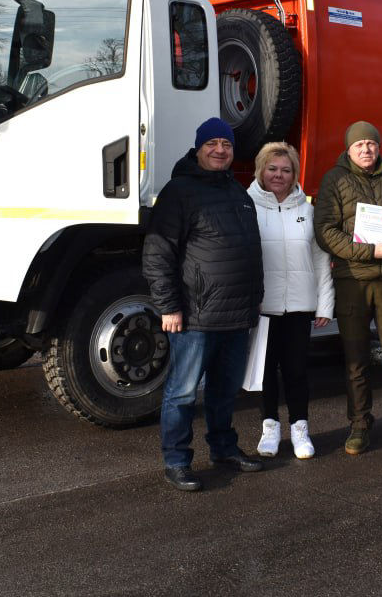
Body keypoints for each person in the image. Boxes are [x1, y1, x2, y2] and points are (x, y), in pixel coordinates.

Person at [142, 117, 266, 491]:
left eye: (226, 144)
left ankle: (224, 448)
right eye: (211, 143)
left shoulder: (237, 191)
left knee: (224, 391)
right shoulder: (179, 191)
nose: (219, 150)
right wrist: (169, 307)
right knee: (181, 393)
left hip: (235, 315)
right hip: (194, 316)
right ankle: (177, 460)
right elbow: (157, 253)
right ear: (197, 149)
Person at [314, 120, 382, 459]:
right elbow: (326, 232)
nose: (366, 149)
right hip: (353, 283)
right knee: (355, 361)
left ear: (379, 147)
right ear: (348, 149)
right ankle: (359, 424)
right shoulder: (335, 180)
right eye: (359, 145)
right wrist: (368, 251)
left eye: (371, 144)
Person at [247, 142, 335, 460]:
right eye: (272, 169)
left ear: (294, 174)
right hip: (263, 307)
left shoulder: (307, 211)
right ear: (261, 170)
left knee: (297, 371)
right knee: (266, 371)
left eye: (286, 170)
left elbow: (321, 260)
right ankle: (270, 428)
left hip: (299, 306)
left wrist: (324, 305)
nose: (278, 175)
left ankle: (300, 428)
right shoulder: (247, 207)